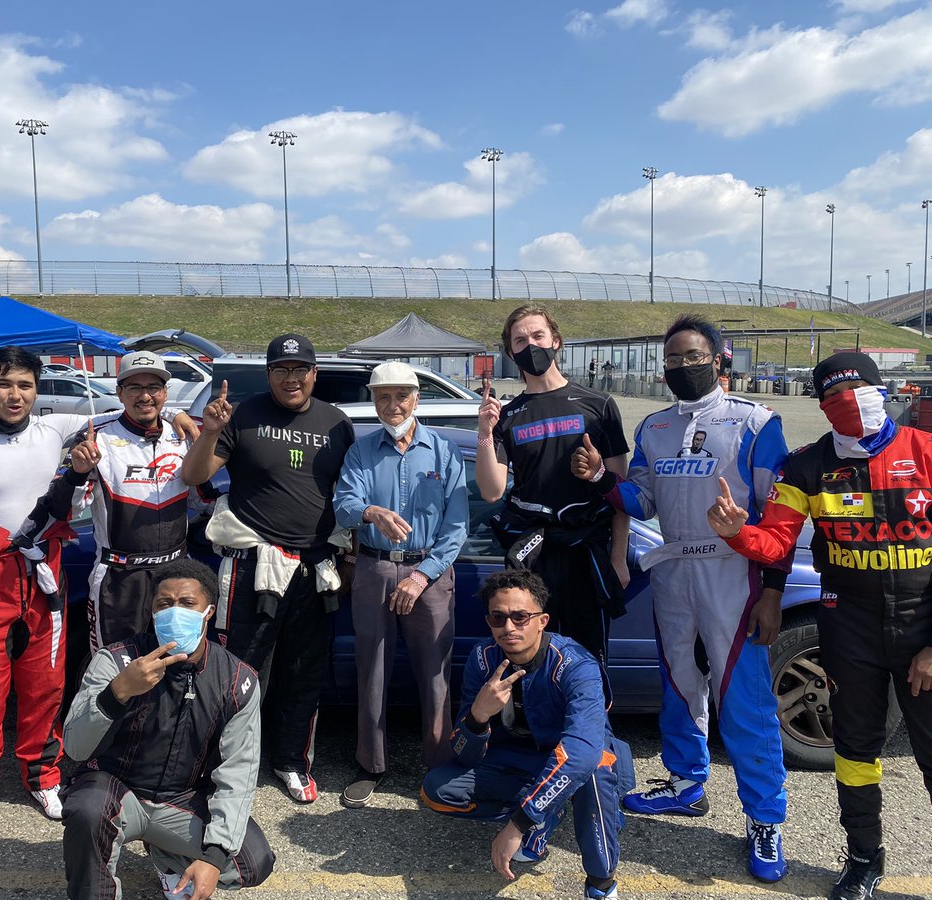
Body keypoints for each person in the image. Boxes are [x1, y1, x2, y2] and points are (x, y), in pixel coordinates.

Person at [0, 345, 193, 844]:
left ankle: (43, 776)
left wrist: (175, 413)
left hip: (43, 571)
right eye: (4, 384)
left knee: (46, 685)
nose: (15, 395)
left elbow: (123, 411)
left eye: (25, 385)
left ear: (37, 391)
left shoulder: (52, 428)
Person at [571, 314, 791, 883]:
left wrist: (771, 591)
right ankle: (687, 784)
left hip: (731, 571)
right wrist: (601, 478)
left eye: (694, 356)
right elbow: (639, 498)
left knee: (742, 698)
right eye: (672, 359)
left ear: (720, 359)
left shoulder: (758, 423)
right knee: (678, 684)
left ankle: (765, 819)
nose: (682, 366)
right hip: (674, 571)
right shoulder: (654, 427)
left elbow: (780, 520)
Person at [708, 351, 932, 900]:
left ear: (885, 393)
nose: (849, 409)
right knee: (855, 752)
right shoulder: (806, 465)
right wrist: (738, 533)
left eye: (859, 395)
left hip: (922, 627)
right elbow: (777, 542)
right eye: (833, 402)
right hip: (847, 626)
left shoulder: (925, 452)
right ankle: (862, 860)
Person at [182, 333, 355, 804]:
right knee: (241, 670)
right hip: (253, 565)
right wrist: (211, 431)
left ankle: (291, 761)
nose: (291, 378)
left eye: (300, 369)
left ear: (314, 374)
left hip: (315, 565)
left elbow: (351, 493)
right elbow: (194, 476)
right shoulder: (245, 415)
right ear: (269, 375)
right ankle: (231, 764)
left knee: (304, 671)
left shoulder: (337, 423)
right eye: (281, 369)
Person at [61, 559, 275, 900]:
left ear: (208, 612)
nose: (175, 612)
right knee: (87, 811)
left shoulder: (237, 680)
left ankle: (169, 859)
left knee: (253, 860)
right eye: (164, 603)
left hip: (181, 799)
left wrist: (214, 857)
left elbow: (238, 772)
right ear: (152, 610)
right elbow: (74, 747)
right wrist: (117, 693)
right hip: (117, 790)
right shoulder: (115, 661)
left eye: (187, 603)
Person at [421, 569, 630, 900]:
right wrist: (479, 715)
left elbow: (582, 751)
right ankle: (549, 810)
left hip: (572, 759)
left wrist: (519, 822)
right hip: (515, 758)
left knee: (595, 771)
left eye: (520, 616)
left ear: (542, 620)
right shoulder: (482, 658)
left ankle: (601, 884)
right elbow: (462, 752)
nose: (508, 627)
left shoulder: (576, 665)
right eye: (498, 617)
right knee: (436, 790)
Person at [332, 362, 467, 808]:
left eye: (401, 397)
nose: (392, 406)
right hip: (373, 568)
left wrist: (422, 575)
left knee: (436, 675)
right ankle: (371, 764)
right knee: (371, 669)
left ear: (416, 399)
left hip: (428, 574)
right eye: (383, 397)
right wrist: (372, 512)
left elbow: (457, 525)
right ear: (374, 401)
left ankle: (439, 764)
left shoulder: (444, 452)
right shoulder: (361, 451)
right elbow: (344, 504)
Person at [475, 304, 630, 667]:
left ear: (556, 341)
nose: (531, 345)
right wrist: (484, 432)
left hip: (586, 552)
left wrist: (618, 558)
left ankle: (588, 724)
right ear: (511, 352)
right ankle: (537, 722)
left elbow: (621, 491)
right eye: (520, 340)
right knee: (530, 658)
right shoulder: (507, 416)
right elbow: (491, 491)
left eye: (538, 335)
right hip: (532, 555)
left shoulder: (599, 405)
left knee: (587, 660)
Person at [30, 350, 196, 652]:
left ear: (165, 393)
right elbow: (62, 511)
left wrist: (176, 415)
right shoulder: (96, 436)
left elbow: (208, 494)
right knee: (116, 669)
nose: (145, 396)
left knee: (178, 663)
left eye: (153, 388)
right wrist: (77, 473)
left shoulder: (184, 433)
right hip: (118, 579)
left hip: (175, 572)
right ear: (119, 392)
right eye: (135, 388)